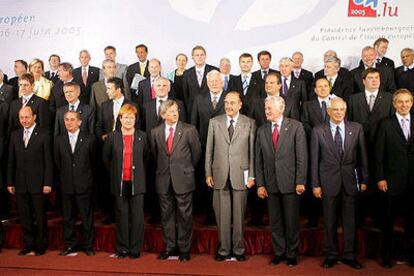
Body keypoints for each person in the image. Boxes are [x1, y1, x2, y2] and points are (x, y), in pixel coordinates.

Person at [311, 97, 368, 269]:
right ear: (328, 111)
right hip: (328, 182)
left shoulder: (356, 128)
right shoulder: (318, 130)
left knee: (350, 221)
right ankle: (331, 254)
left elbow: (362, 156)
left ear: (345, 110)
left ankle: (350, 255)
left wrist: (365, 179)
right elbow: (314, 160)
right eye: (335, 109)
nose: (339, 113)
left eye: (341, 109)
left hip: (350, 182)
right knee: (330, 221)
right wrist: (315, 184)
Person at [255, 96, 307, 266]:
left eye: (270, 108)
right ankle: (279, 252)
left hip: (291, 183)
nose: (266, 111)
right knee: (275, 221)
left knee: (291, 222)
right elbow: (258, 160)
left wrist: (300, 181)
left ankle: (291, 254)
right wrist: (261, 184)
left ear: (281, 109)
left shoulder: (296, 127)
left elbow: (302, 157)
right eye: (266, 108)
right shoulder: (262, 130)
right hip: (270, 183)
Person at [205, 91, 256, 261]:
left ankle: (239, 250)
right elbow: (209, 150)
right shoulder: (214, 122)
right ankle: (224, 250)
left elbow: (252, 153)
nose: (229, 106)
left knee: (239, 216)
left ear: (240, 105)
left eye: (233, 103)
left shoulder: (249, 123)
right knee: (222, 215)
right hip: (219, 174)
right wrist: (208, 173)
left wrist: (252, 176)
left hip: (241, 174)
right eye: (226, 103)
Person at [151, 100, 201, 261]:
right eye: (170, 111)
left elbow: (196, 154)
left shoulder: (189, 130)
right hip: (163, 180)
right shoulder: (155, 132)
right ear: (163, 114)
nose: (174, 114)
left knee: (185, 216)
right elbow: (154, 155)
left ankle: (184, 249)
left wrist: (185, 170)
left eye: (176, 111)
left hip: (184, 179)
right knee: (166, 215)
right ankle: (169, 247)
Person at [103, 103, 149, 259]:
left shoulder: (142, 136)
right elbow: (106, 160)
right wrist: (117, 173)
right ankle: (122, 248)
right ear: (120, 119)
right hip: (119, 182)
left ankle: (135, 249)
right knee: (121, 215)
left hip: (138, 183)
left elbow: (147, 159)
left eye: (132, 117)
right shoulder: (112, 137)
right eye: (126, 117)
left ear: (136, 119)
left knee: (137, 216)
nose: (129, 120)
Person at [375, 89, 414, 268]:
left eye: (407, 101)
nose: (404, 105)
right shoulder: (385, 124)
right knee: (388, 221)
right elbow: (378, 154)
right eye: (400, 102)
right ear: (394, 104)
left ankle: (410, 255)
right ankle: (387, 256)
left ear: (412, 103)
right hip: (391, 181)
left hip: (412, 182)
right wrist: (381, 177)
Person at [7, 106, 53, 256]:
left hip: (39, 184)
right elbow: (11, 161)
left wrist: (48, 182)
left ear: (34, 117)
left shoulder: (44, 134)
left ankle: (41, 245)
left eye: (27, 117)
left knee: (40, 216)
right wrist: (10, 182)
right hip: (20, 183)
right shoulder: (15, 135)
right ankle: (28, 244)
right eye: (21, 118)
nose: (24, 120)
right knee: (24, 217)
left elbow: (48, 161)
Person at [54, 110, 96, 256]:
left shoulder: (90, 139)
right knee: (68, 218)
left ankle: (89, 246)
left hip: (84, 184)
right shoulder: (59, 140)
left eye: (72, 119)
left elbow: (94, 163)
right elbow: (57, 163)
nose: (69, 122)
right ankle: (70, 245)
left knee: (86, 217)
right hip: (66, 184)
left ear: (79, 122)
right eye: (66, 120)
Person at [191, 70, 226, 224]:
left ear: (222, 82)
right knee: (205, 183)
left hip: (225, 149)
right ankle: (208, 215)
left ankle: (224, 215)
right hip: (204, 148)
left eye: (216, 81)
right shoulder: (198, 99)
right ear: (207, 83)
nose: (214, 83)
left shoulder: (229, 98)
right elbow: (193, 125)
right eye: (211, 81)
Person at [182, 45, 217, 118]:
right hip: (192, 111)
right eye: (197, 55)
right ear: (192, 57)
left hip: (210, 110)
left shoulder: (214, 70)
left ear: (205, 56)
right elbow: (185, 95)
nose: (199, 57)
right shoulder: (186, 74)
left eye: (202, 55)